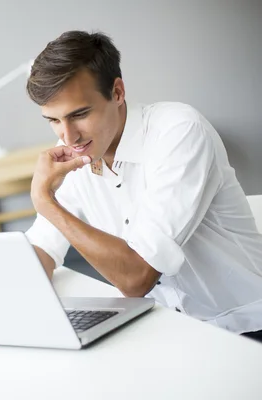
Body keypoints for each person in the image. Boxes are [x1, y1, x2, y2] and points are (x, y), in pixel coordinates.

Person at [24, 30, 262, 342]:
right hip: (167, 330)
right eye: (53, 120)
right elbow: (41, 248)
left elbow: (137, 278)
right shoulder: (77, 154)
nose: (68, 137)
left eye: (79, 114)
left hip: (246, 327)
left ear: (118, 92)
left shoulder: (178, 132)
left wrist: (46, 202)